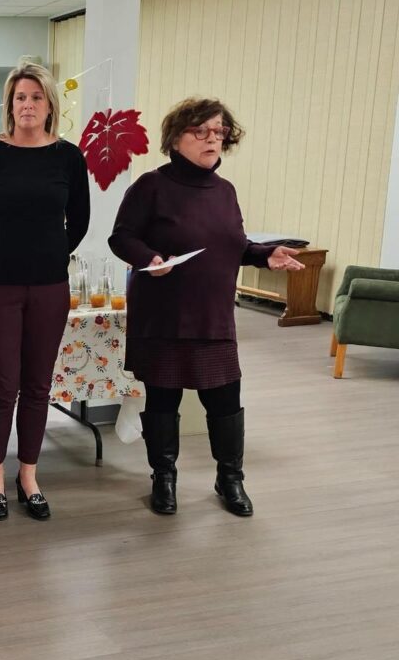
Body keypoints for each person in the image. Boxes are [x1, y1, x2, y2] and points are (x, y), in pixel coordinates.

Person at [108, 97, 304, 517]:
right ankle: (164, 478)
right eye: (202, 131)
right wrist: (149, 259)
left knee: (225, 402)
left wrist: (264, 255)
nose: (213, 138)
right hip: (163, 317)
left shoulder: (225, 192)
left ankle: (230, 479)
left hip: (214, 317)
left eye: (219, 131)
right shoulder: (151, 186)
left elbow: (234, 245)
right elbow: (121, 237)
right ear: (176, 138)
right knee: (163, 401)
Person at [0, 62, 90, 521]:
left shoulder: (69, 158)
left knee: (37, 385)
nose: (27, 105)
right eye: (19, 98)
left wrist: (49, 256)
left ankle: (27, 473)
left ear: (50, 104)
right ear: (10, 106)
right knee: (3, 385)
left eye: (35, 97)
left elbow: (80, 221)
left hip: (50, 288)